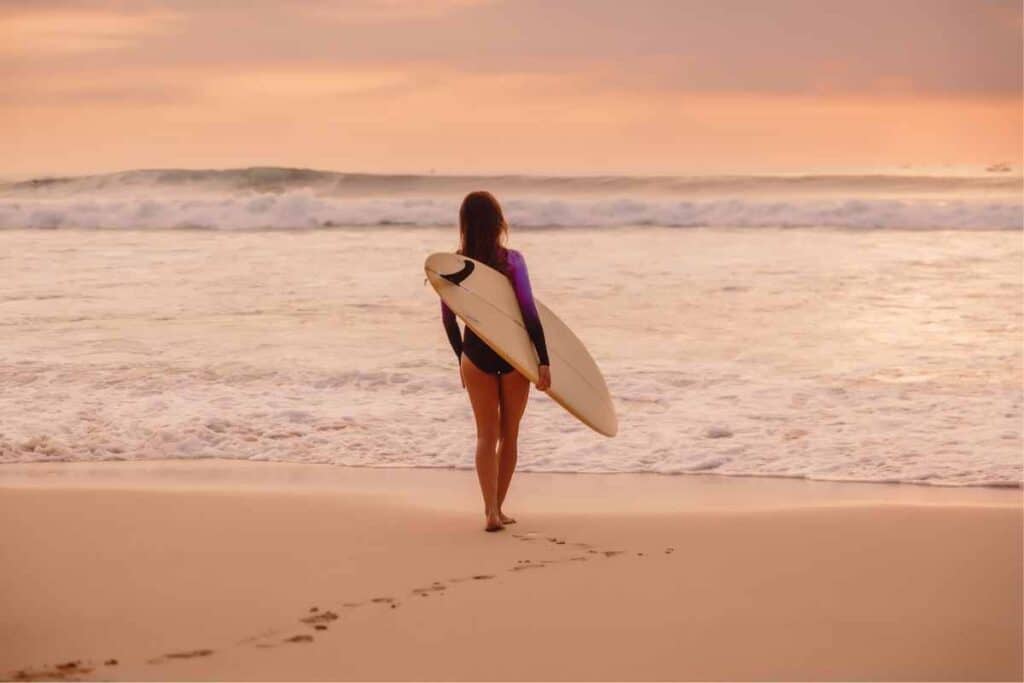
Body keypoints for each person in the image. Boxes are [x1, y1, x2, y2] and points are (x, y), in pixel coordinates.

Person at [440, 191, 552, 532]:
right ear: (498, 222)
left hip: (475, 355)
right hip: (513, 353)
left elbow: (449, 320)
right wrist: (543, 360)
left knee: (485, 437)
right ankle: (498, 509)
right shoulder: (511, 261)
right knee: (509, 435)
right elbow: (529, 313)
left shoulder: (452, 266)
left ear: (464, 224)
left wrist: (461, 358)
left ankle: (490, 510)